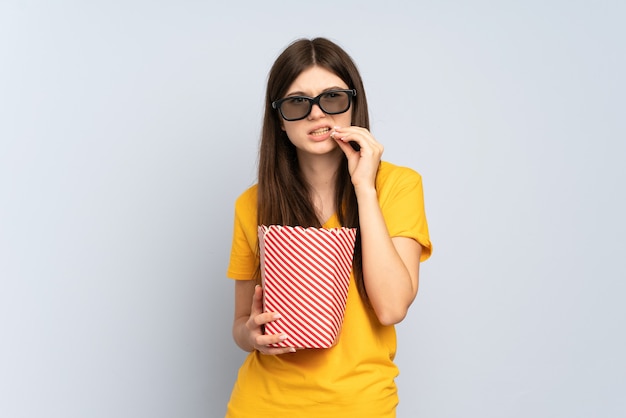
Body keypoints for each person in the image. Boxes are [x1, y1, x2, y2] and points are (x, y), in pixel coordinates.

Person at [225, 37, 432, 417]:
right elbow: (240, 325)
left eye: (333, 98)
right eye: (297, 103)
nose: (317, 115)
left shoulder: (398, 186)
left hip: (360, 404)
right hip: (261, 403)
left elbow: (391, 308)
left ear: (354, 103)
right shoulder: (252, 203)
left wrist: (364, 188)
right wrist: (250, 333)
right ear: (280, 119)